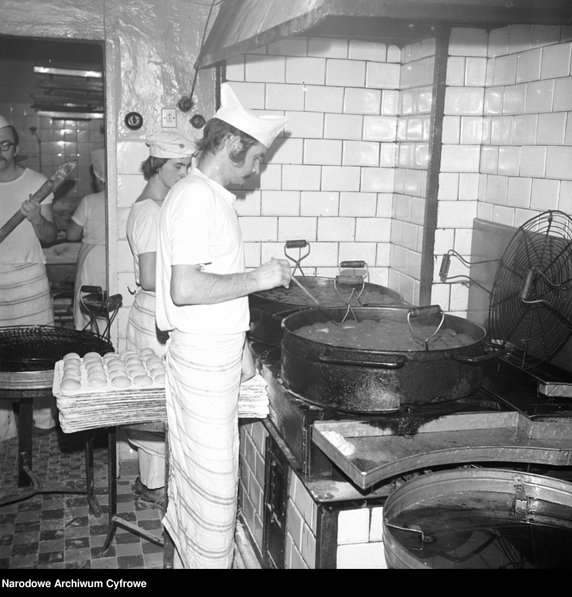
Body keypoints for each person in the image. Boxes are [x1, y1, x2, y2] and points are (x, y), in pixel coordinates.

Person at [156, 83, 291, 568]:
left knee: (201, 477)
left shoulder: (205, 195)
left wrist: (248, 360)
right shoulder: (196, 199)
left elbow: (214, 299)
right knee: (214, 487)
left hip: (215, 355)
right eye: (255, 158)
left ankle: (193, 559)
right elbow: (186, 289)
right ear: (231, 145)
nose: (257, 170)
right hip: (202, 362)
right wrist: (260, 277)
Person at [125, 131, 194, 508]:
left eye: (187, 166)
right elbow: (151, 278)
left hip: (151, 315)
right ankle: (154, 488)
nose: (184, 173)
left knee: (157, 403)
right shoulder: (151, 211)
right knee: (157, 404)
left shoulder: (158, 205)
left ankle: (153, 484)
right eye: (178, 166)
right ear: (156, 166)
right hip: (154, 314)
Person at [0, 114, 58, 440]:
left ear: (16, 147)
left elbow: (50, 236)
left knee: (35, 353)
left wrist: (36, 218)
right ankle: (3, 428)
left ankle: (42, 422)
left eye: (5, 145)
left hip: (30, 281)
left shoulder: (37, 182)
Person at [67, 148, 107, 332]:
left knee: (90, 310)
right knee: (110, 309)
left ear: (98, 178)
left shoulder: (89, 201)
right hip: (115, 257)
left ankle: (92, 348)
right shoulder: (125, 201)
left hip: (93, 260)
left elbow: (71, 235)